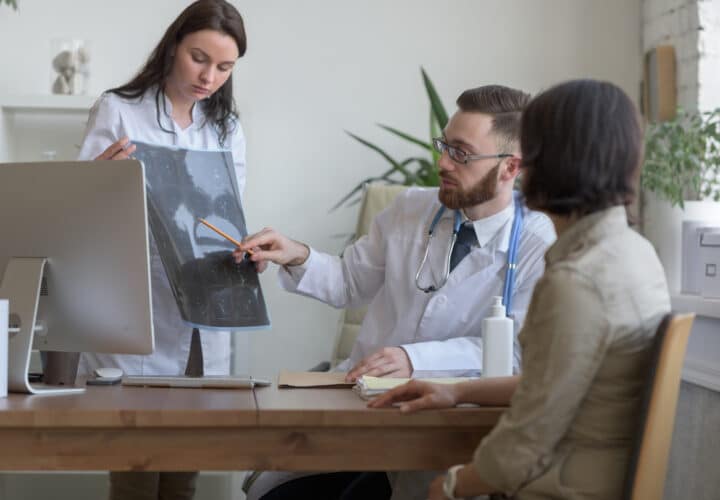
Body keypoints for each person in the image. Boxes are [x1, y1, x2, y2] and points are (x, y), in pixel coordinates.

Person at [235, 85, 556, 499]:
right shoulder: (411, 208)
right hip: (365, 416)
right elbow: (349, 282)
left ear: (510, 167)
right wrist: (294, 254)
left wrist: (413, 359)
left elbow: (513, 354)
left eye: (461, 153)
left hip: (448, 434)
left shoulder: (538, 242)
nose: (442, 162)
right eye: (443, 145)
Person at [369, 79, 672, 500]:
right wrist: (457, 391)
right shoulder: (637, 255)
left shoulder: (576, 282)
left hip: (555, 488)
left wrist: (450, 487)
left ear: (545, 162)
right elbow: (555, 380)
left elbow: (525, 442)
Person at [76, 1, 247, 499]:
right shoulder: (119, 109)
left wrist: (244, 246)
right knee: (133, 469)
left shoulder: (227, 127)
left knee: (183, 471)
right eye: (199, 58)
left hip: (203, 307)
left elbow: (230, 215)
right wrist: (98, 183)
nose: (209, 76)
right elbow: (76, 215)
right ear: (173, 46)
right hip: (137, 306)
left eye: (224, 66)